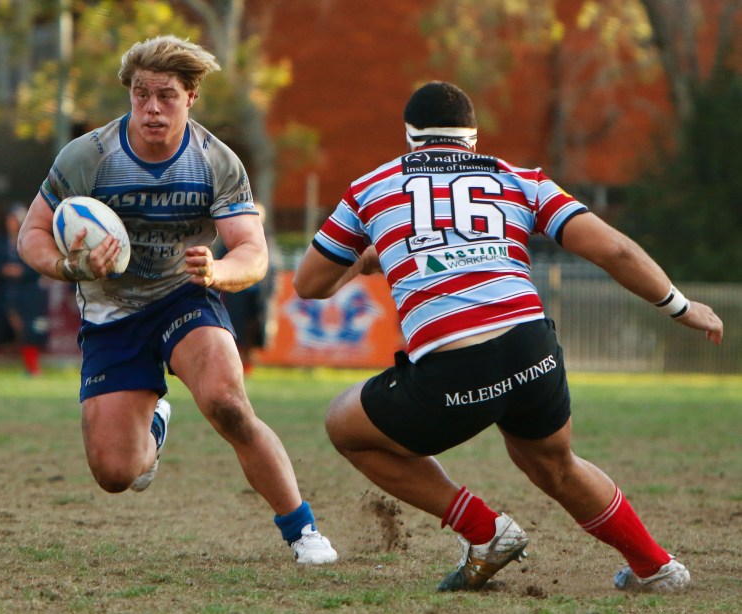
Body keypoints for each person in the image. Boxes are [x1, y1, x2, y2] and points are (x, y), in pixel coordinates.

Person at [293, 81, 723, 592]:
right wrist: (680, 306)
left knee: (344, 425)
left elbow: (309, 284)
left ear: (409, 137)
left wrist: (368, 259)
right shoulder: (521, 179)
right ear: (472, 138)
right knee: (554, 462)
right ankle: (656, 567)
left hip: (454, 366)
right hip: (532, 350)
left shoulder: (371, 188)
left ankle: (484, 530)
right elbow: (616, 251)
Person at [17, 35, 337, 564]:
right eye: (141, 94)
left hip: (184, 296)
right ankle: (156, 424)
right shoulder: (89, 156)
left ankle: (303, 531)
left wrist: (218, 270)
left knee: (228, 404)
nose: (151, 108)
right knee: (115, 473)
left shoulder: (215, 161)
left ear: (191, 96)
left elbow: (253, 251)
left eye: (166, 95)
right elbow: (32, 233)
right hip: (112, 311)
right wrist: (68, 266)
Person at [0, 204, 49, 376]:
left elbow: (41, 264)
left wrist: (22, 272)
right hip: (5, 291)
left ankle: (32, 367)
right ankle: (14, 367)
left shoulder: (33, 241)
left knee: (27, 328)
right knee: (6, 328)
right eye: (9, 220)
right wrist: (2, 269)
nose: (11, 223)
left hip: (28, 293)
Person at [215, 203, 278, 374]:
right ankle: (236, 362)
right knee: (236, 327)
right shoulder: (231, 238)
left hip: (259, 295)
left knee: (255, 328)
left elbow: (273, 268)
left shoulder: (268, 240)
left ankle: (248, 362)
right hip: (237, 293)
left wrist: (272, 291)